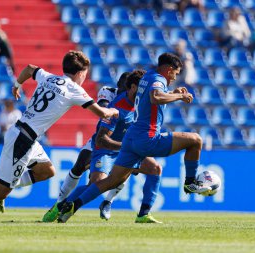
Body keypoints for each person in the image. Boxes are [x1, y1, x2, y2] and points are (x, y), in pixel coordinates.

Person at [0, 50, 119, 224]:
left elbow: (30, 68)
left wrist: (17, 85)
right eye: (85, 74)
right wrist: (113, 110)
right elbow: (102, 113)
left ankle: (3, 185)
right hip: (23, 140)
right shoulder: (74, 90)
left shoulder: (49, 77)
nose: (84, 78)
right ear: (80, 73)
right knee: (0, 193)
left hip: (25, 134)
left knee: (46, 171)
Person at [57, 53, 211, 223]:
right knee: (195, 140)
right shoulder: (158, 80)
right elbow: (156, 97)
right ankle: (190, 183)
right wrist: (180, 96)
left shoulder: (148, 77)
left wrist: (173, 93)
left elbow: (152, 95)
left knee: (112, 180)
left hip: (131, 138)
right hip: (148, 138)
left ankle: (73, 205)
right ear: (168, 70)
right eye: (175, 73)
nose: (175, 77)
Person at [45, 70, 163, 223]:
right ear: (132, 88)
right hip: (106, 148)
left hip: (127, 148)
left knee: (155, 169)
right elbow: (102, 139)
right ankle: (61, 206)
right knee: (95, 182)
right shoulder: (115, 107)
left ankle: (143, 214)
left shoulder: (142, 105)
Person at [40, 72, 131, 219]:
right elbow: (102, 109)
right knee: (79, 167)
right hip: (101, 140)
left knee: (124, 173)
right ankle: (59, 204)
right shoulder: (108, 91)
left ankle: (108, 202)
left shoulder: (137, 100)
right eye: (122, 89)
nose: (123, 93)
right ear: (118, 86)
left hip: (121, 143)